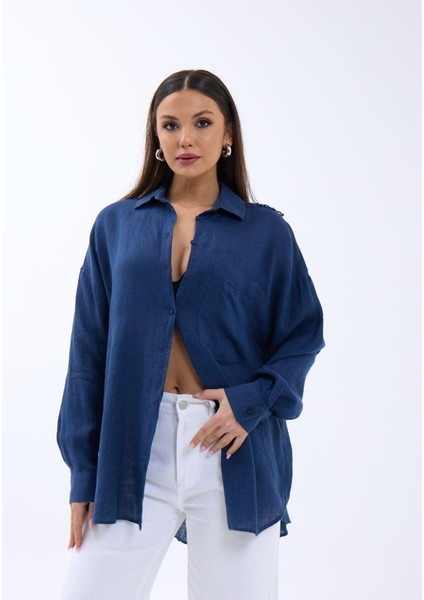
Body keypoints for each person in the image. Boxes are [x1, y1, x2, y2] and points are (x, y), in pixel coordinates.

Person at [57, 68, 325, 600]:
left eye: (202, 123)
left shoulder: (267, 233)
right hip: (132, 449)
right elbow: (87, 354)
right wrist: (83, 475)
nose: (185, 139)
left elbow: (302, 335)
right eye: (170, 125)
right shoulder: (115, 225)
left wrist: (249, 404)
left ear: (228, 134)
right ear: (155, 137)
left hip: (232, 447)